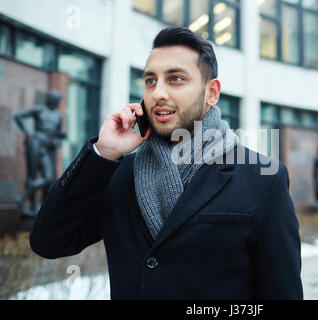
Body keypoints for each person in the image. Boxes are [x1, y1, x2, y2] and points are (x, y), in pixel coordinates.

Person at [30, 26, 302, 300]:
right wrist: (103, 152)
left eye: (175, 79)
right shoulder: (120, 174)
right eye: (150, 81)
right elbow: (49, 242)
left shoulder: (263, 178)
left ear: (212, 93)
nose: (158, 92)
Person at [14, 90, 66, 217]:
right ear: (51, 99)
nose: (58, 102)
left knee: (49, 178)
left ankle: (23, 198)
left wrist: (58, 141)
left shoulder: (58, 116)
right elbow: (18, 116)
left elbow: (57, 134)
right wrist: (27, 134)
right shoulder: (39, 110)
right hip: (35, 144)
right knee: (32, 175)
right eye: (56, 99)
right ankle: (31, 207)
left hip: (47, 148)